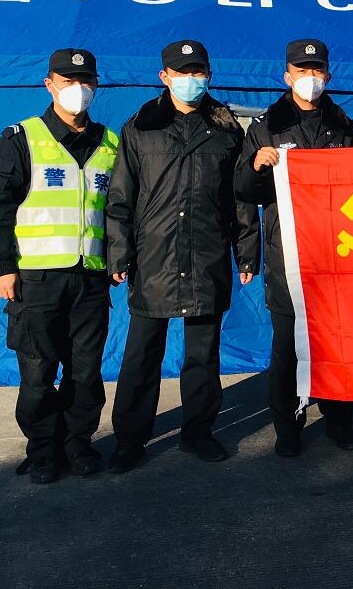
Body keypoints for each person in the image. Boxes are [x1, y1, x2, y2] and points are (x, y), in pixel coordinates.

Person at [105, 40, 260, 473]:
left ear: (209, 75)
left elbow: (240, 198)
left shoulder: (227, 130)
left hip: (207, 254)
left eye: (198, 72)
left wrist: (247, 253)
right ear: (165, 77)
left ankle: (198, 432)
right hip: (153, 257)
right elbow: (120, 197)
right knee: (141, 355)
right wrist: (119, 252)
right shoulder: (140, 128)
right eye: (182, 72)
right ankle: (130, 439)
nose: (191, 80)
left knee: (203, 355)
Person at [0, 48, 117, 484]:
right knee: (38, 371)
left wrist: (120, 259)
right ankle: (42, 451)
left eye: (86, 80)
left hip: (90, 277)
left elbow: (119, 211)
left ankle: (78, 444)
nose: (78, 88)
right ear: (49, 84)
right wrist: (2, 266)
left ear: (96, 85)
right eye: (68, 80)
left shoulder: (110, 144)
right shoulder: (21, 138)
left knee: (85, 370)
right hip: (35, 279)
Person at [235, 39, 353, 457]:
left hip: (335, 256)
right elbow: (244, 190)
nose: (310, 78)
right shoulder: (266, 126)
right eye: (302, 71)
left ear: (328, 75)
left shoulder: (345, 127)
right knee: (287, 350)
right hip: (287, 257)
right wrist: (256, 165)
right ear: (287, 76)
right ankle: (287, 429)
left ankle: (339, 421)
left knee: (337, 346)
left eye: (317, 70)